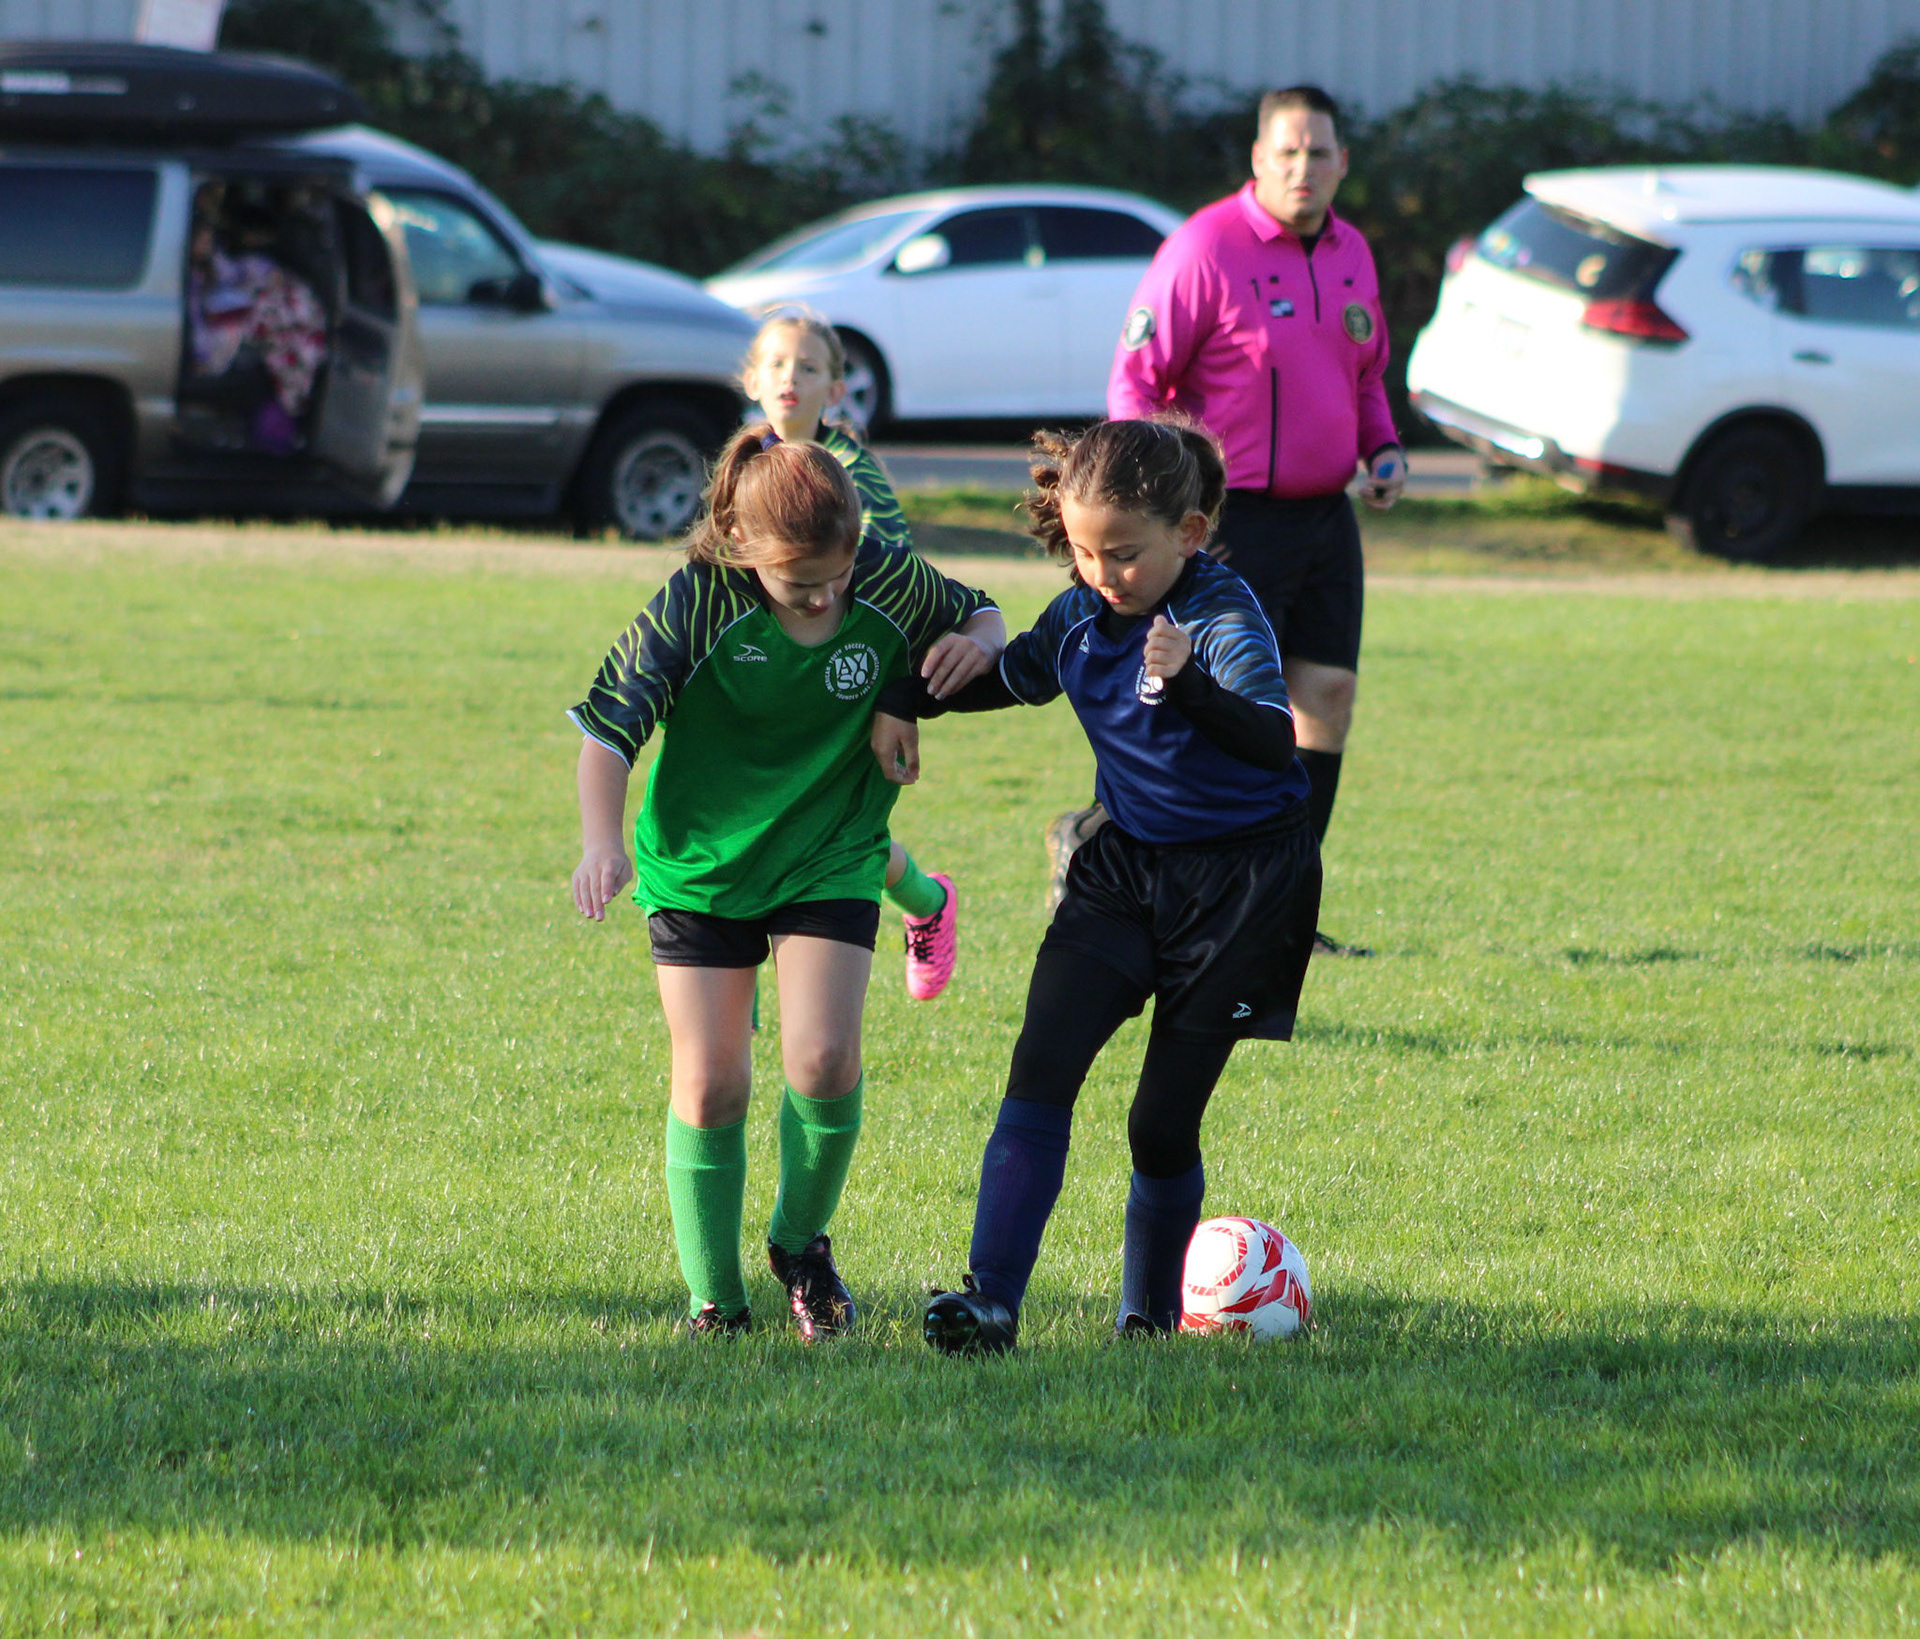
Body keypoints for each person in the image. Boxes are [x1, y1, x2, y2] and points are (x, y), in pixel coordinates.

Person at [871, 417, 1320, 1355]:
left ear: (1188, 534)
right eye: (1083, 551)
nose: (1101, 573)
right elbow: (1015, 677)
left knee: (1159, 1124)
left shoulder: (1220, 616)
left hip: (1243, 889)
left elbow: (1272, 739)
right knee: (1041, 1065)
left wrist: (1190, 684)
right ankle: (991, 1302)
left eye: (1123, 554)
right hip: (1123, 867)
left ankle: (1146, 1322)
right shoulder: (1080, 613)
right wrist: (911, 694)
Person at [568, 428, 1004, 1338]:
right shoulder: (697, 599)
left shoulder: (881, 575)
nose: (824, 598)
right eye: (800, 584)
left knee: (824, 1057)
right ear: (741, 545)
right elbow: (609, 730)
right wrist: (601, 842)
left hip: (830, 844)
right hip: (703, 863)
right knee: (711, 1084)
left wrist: (915, 689)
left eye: (836, 578)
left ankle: (800, 1245)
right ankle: (716, 1302)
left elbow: (982, 617)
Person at [1081, 83, 1402, 956]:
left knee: (1325, 698)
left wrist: (1382, 448)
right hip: (1226, 522)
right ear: (1259, 159)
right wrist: (1153, 494)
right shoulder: (1204, 247)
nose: (1304, 168)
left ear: (1342, 163)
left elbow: (1366, 375)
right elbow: (1135, 382)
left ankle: (1283, 908)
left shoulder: (1351, 253)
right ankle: (1097, 843)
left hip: (1325, 516)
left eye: (1319, 152)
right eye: (1287, 152)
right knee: (1207, 712)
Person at [738, 310, 958, 999]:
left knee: (835, 834)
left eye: (808, 367)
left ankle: (928, 902)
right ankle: (730, 989)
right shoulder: (745, 463)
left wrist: (898, 696)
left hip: (847, 682)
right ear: (750, 379)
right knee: (759, 822)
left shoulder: (855, 470)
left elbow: (900, 588)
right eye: (776, 364)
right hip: (770, 681)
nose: (790, 378)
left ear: (836, 389)